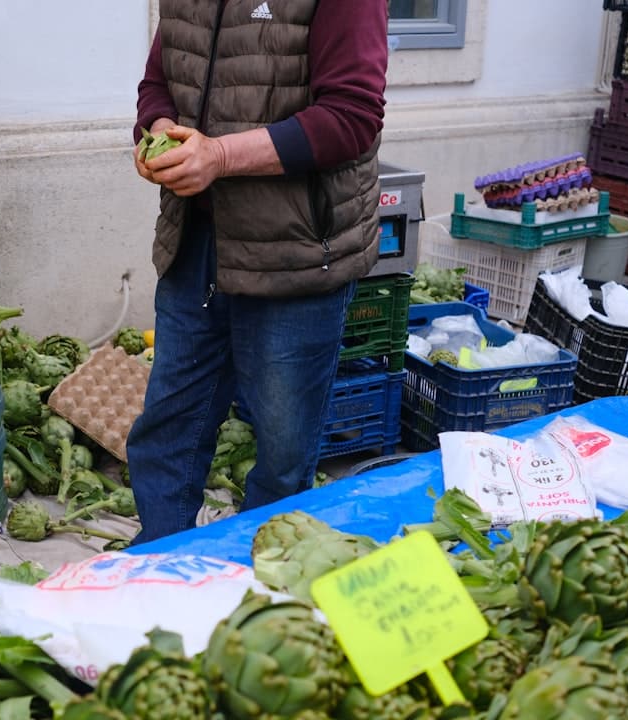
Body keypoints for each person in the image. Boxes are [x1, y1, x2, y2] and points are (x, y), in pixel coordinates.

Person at [126, 0, 389, 544]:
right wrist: (157, 131)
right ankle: (161, 570)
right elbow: (159, 79)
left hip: (294, 251)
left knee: (282, 450)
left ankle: (260, 592)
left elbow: (351, 116)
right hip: (195, 242)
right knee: (167, 431)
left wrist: (219, 156)